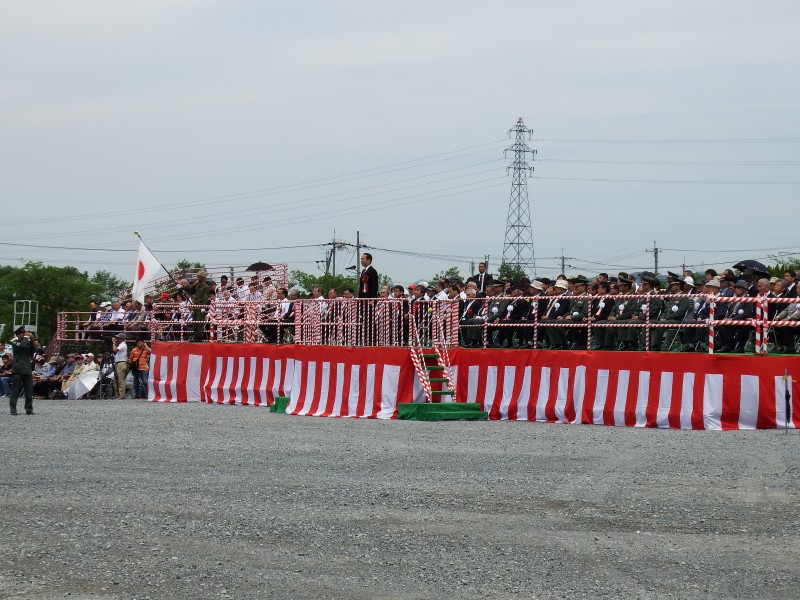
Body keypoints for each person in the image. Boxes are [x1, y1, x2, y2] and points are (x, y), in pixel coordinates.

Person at [9, 326, 35, 415]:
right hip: (18, 369)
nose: (24, 335)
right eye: (22, 333)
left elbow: (34, 350)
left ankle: (29, 408)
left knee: (29, 390)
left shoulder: (26, 341)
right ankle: (13, 409)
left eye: (24, 333)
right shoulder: (14, 342)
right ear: (17, 335)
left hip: (27, 369)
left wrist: (32, 340)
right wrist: (26, 338)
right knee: (15, 390)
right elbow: (22, 346)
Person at [112, 333, 129, 399]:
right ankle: (117, 394)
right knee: (116, 379)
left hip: (121, 363)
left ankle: (121, 395)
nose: (117, 339)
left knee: (120, 380)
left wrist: (113, 343)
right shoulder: (121, 345)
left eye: (118, 338)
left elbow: (114, 350)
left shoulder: (123, 344)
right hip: (118, 363)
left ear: (122, 339)